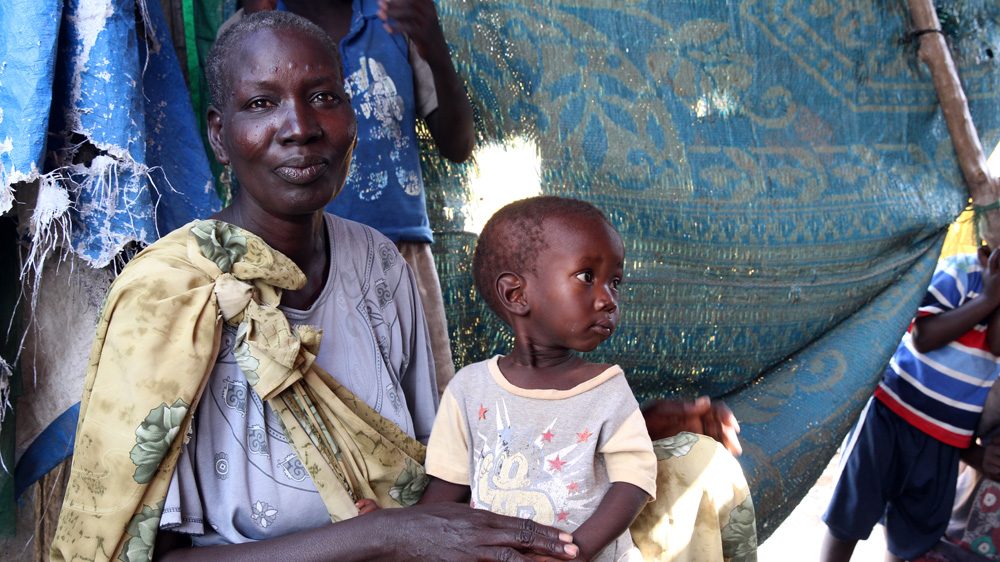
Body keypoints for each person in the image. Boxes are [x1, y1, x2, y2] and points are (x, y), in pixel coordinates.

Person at [50, 12, 579, 561]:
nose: (300, 126)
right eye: (261, 103)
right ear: (219, 135)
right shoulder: (166, 296)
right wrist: (384, 536)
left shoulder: (380, 266)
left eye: (325, 97)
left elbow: (434, 473)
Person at [234, 0, 475, 398]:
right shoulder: (249, 26)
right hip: (293, 267)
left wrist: (434, 46)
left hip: (400, 251)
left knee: (423, 411)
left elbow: (458, 144)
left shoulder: (397, 18)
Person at [416, 196, 657, 561]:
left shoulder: (606, 388)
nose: (609, 299)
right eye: (587, 277)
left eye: (616, 282)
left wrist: (572, 553)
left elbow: (633, 482)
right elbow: (446, 490)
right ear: (516, 294)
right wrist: (397, 527)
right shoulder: (469, 388)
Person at [821, 246, 1000, 562]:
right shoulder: (960, 271)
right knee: (849, 516)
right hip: (892, 415)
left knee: (910, 537)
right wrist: (986, 299)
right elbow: (923, 335)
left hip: (945, 440)